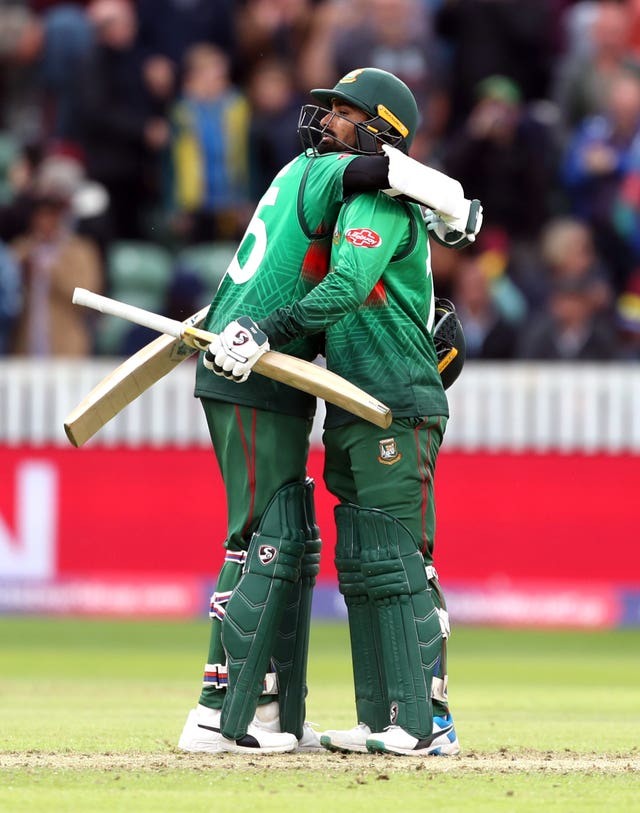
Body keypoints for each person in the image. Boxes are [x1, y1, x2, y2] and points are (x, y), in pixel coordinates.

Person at [178, 66, 481, 756]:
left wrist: (262, 327)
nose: (327, 121)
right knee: (367, 558)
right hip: (354, 395)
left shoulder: (368, 197)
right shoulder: (327, 186)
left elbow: (346, 284)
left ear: (380, 135)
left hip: (392, 395)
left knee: (399, 558)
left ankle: (424, 718)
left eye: (345, 112)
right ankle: (385, 716)